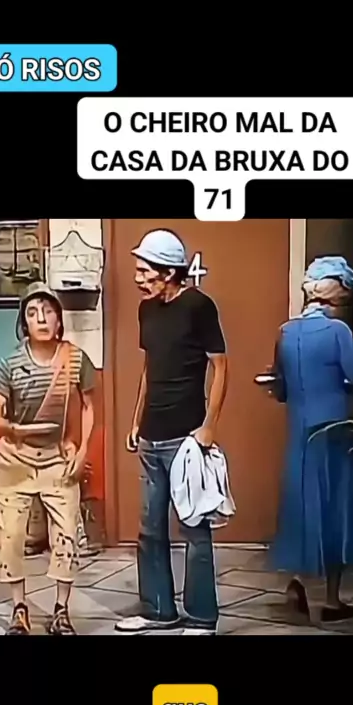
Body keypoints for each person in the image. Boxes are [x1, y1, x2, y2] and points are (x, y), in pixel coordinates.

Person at [114, 229, 228, 635]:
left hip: (186, 438)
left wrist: (209, 425)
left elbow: (221, 366)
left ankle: (202, 617)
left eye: (145, 271)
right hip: (151, 435)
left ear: (167, 272)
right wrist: (136, 420)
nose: (138, 279)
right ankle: (158, 610)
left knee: (194, 530)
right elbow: (150, 368)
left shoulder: (198, 306)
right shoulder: (147, 310)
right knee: (149, 530)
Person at [264, 256, 353, 622]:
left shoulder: (286, 332)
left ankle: (298, 584)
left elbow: (281, 387)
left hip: (300, 435)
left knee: (302, 505)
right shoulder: (337, 332)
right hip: (336, 435)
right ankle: (332, 600)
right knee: (337, 509)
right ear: (339, 293)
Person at [0, 281, 96, 635]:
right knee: (10, 535)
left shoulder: (75, 359)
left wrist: (82, 448)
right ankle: (19, 609)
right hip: (15, 459)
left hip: (57, 459)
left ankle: (61, 610)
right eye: (33, 313)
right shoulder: (10, 364)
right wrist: (17, 430)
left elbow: (89, 406)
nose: (42, 319)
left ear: (59, 319)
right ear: (24, 323)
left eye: (48, 311)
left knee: (67, 533)